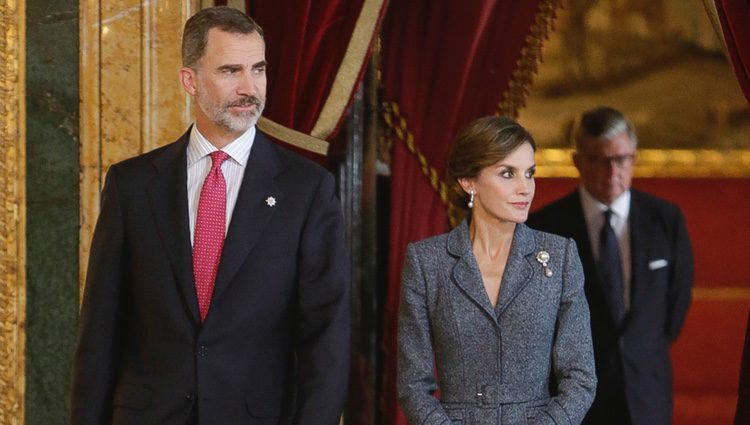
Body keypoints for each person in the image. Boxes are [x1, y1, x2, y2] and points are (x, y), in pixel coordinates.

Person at [71, 6, 350, 424]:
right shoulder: (132, 186)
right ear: (190, 80)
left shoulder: (306, 190)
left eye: (258, 69)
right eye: (230, 71)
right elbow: (100, 332)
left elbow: (325, 339)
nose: (249, 88)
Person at [397, 116, 596, 424]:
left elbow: (581, 378)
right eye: (508, 174)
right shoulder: (427, 262)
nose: (525, 188)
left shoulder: (560, 256)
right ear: (468, 181)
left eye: (529, 173)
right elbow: (412, 385)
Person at [527, 106, 694, 425]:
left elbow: (675, 306)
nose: (612, 171)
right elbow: (538, 319)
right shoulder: (544, 228)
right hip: (575, 402)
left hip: (647, 393)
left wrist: (638, 351)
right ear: (578, 161)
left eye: (621, 159)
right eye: (599, 161)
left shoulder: (665, 220)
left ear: (634, 156)